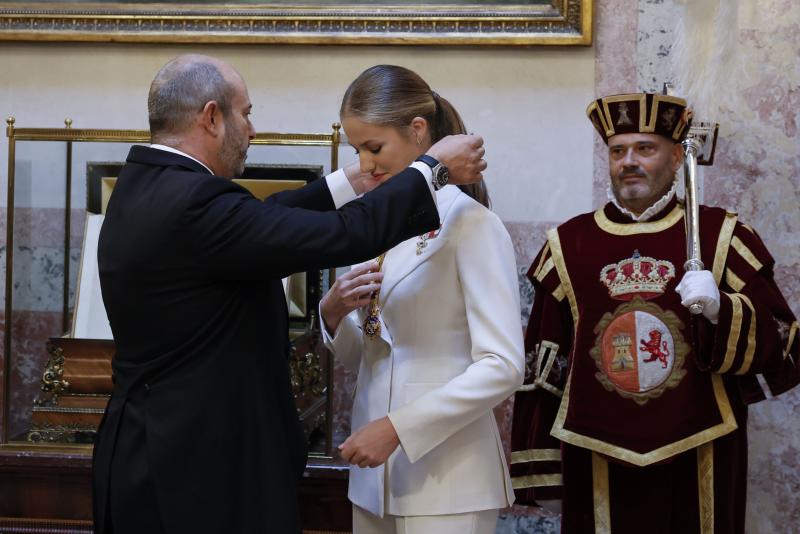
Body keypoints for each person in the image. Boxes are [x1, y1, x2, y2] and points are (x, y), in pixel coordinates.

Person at [91, 55, 488, 534]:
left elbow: (260, 220)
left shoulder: (148, 184)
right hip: (195, 469)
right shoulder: (194, 203)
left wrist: (350, 182)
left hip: (155, 450)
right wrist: (431, 168)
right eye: (246, 112)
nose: (252, 129)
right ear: (212, 117)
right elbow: (343, 235)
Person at [510, 92, 800, 533]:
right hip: (596, 449)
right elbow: (545, 364)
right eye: (617, 150)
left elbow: (785, 340)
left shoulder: (721, 236)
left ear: (676, 157)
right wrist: (543, 471)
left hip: (701, 443)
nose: (629, 161)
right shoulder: (569, 245)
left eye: (645, 148)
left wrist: (724, 311)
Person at [319, 65, 525, 534]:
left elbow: (504, 365)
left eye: (375, 148)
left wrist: (396, 428)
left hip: (449, 480)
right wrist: (334, 315)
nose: (365, 164)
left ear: (417, 133)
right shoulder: (375, 224)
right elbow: (366, 354)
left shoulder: (468, 222)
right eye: (357, 150)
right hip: (372, 479)